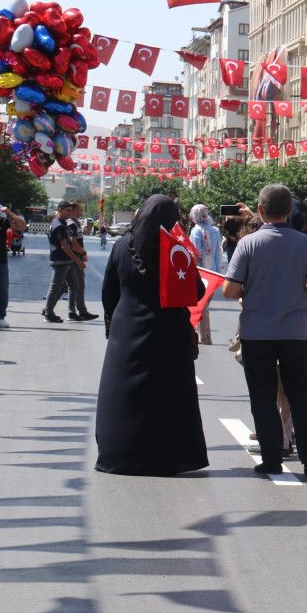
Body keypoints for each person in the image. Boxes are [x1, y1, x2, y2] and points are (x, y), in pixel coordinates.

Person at [95, 195, 209, 475]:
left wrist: (113, 325)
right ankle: (168, 457)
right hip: (169, 331)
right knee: (168, 395)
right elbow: (196, 291)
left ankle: (120, 454)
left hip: (127, 328)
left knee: (125, 394)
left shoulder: (122, 245)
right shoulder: (175, 249)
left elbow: (109, 291)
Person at [223, 185, 307, 476]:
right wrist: (303, 287)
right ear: (290, 210)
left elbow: (230, 290)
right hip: (295, 332)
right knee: (301, 397)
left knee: (262, 396)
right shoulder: (306, 243)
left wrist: (251, 288)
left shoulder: (248, 244)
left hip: (257, 332)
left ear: (260, 210)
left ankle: (271, 459)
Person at [188, 204, 223, 345]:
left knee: (200, 304)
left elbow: (196, 253)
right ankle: (206, 335)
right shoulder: (215, 230)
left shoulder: (196, 231)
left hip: (200, 271)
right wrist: (218, 272)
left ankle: (203, 335)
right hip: (213, 271)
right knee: (206, 305)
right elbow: (218, 253)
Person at [42, 201, 77, 323]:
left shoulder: (60, 222)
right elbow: (64, 246)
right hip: (60, 260)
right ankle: (48, 313)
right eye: (68, 210)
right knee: (55, 287)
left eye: (71, 211)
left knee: (71, 285)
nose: (70, 213)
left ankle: (49, 309)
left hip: (65, 260)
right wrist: (77, 260)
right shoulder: (59, 225)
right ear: (60, 210)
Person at [65, 202, 97, 322]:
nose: (82, 212)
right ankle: (80, 311)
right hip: (74, 258)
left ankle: (74, 311)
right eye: (80, 209)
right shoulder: (72, 224)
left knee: (66, 286)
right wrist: (82, 253)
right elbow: (73, 242)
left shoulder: (74, 223)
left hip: (73, 258)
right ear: (74, 210)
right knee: (78, 285)